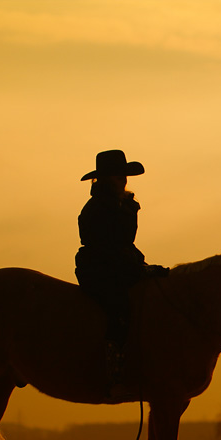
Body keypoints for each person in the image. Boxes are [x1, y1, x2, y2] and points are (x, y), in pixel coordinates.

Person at [75, 149, 167, 392]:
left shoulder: (123, 205)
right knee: (119, 307)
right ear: (104, 179)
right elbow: (107, 248)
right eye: (118, 176)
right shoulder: (95, 209)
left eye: (124, 176)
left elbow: (125, 245)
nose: (123, 180)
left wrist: (142, 266)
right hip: (99, 268)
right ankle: (113, 365)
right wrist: (137, 269)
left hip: (119, 264)